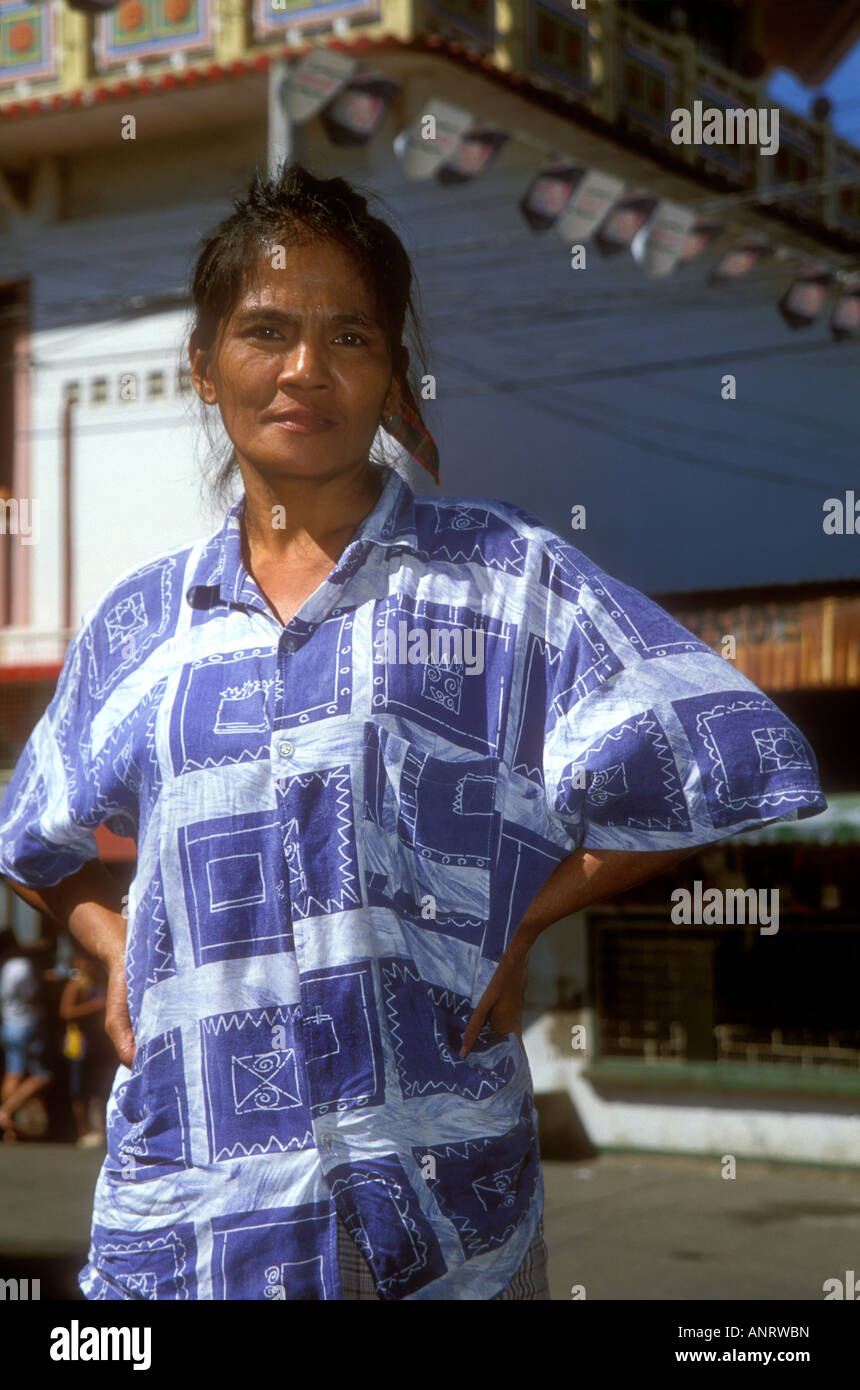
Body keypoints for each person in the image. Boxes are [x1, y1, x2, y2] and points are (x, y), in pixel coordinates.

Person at [0, 162, 826, 1299]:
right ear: (203, 365)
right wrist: (115, 942)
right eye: (264, 332)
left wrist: (520, 907)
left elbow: (729, 753)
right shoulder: (140, 625)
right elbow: (29, 837)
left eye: (350, 336)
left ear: (392, 373)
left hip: (439, 1222)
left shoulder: (505, 577)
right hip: (190, 1232)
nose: (304, 369)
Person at [0, 932, 53, 1142]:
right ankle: (5, 1110)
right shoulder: (22, 966)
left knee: (13, 1073)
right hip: (26, 1022)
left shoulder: (4, 967)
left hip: (8, 1023)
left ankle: (9, 1128)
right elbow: (31, 996)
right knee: (43, 1075)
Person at [60, 951, 110, 1147]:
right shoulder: (76, 984)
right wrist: (95, 1006)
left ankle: (101, 1130)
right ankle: (84, 1131)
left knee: (100, 1088)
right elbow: (66, 1012)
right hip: (79, 1044)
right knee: (80, 1089)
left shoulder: (98, 982)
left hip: (98, 1044)